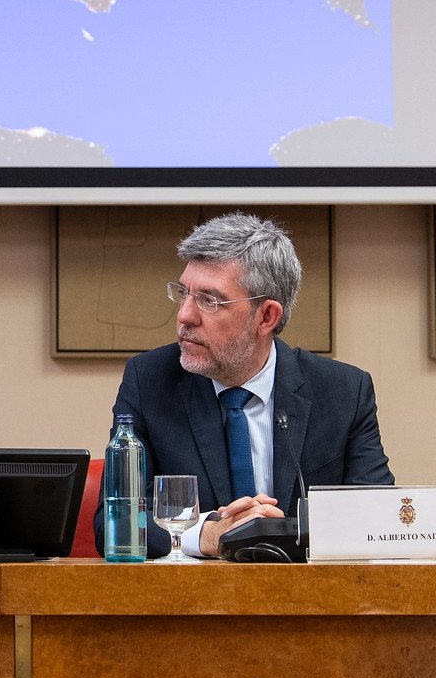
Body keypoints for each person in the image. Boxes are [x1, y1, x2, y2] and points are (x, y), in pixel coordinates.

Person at [104, 213, 392, 556]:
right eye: (183, 293)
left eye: (209, 300)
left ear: (266, 316)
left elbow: (377, 516)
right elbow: (115, 524)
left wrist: (284, 530)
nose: (184, 315)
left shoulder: (343, 391)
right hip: (191, 601)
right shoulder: (150, 380)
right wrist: (210, 536)